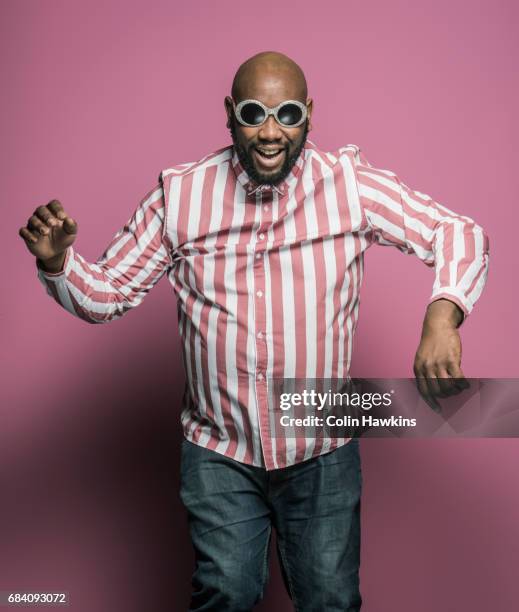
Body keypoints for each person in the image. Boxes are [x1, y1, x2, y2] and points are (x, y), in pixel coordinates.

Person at [19, 51, 489, 611]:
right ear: (229, 114)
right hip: (219, 449)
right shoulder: (181, 196)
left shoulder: (349, 187)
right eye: (253, 113)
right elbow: (107, 294)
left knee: (331, 601)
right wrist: (57, 264)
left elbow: (457, 232)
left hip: (322, 448)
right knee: (226, 595)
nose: (270, 132)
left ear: (309, 113)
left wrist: (442, 317)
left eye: (287, 113)